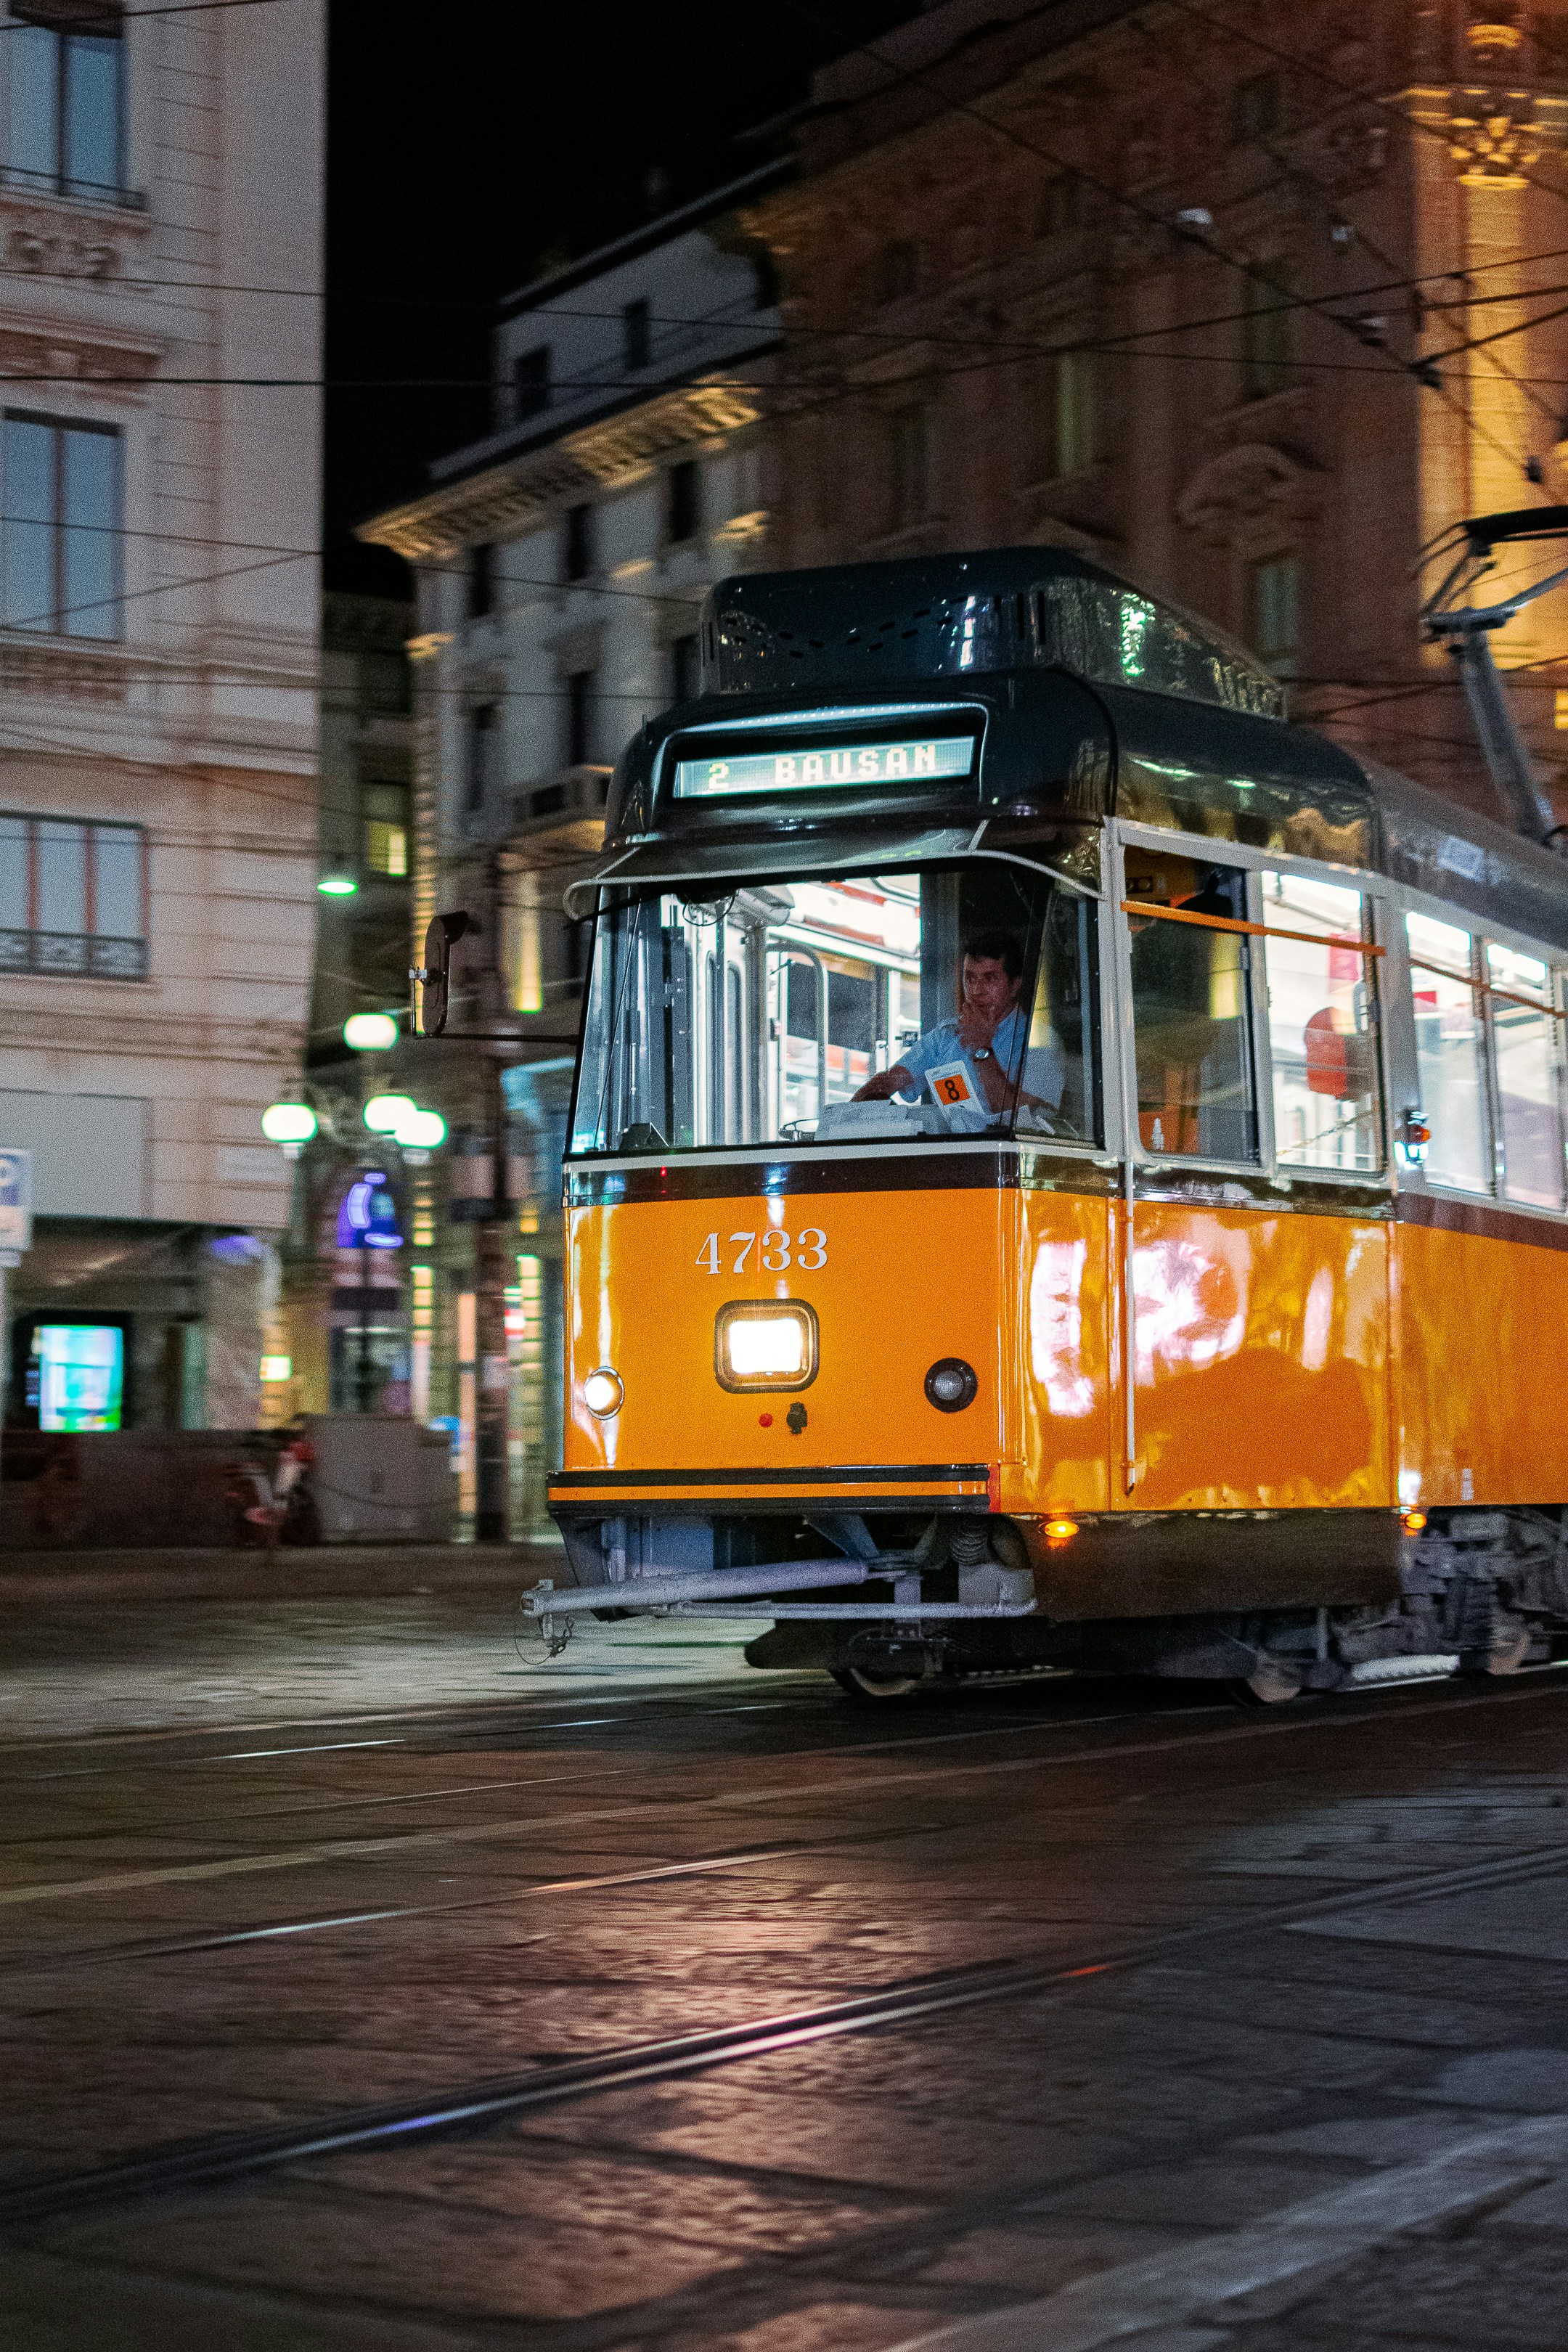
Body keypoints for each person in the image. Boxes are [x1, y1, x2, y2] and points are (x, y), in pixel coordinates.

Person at [853, 928, 1065, 1122]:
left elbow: (1018, 1113)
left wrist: (981, 1048)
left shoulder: (1038, 1040)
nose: (976, 990)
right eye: (970, 978)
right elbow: (891, 1080)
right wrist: (862, 1106)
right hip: (950, 1152)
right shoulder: (946, 1036)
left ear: (1014, 986)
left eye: (989, 979)